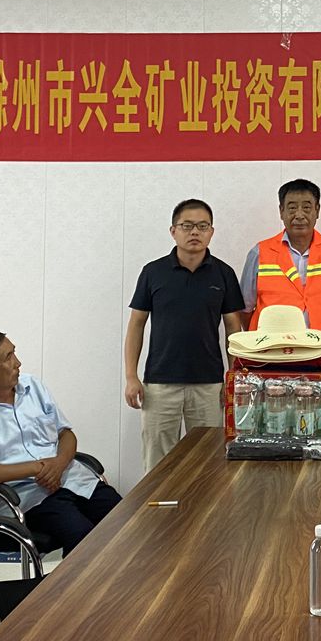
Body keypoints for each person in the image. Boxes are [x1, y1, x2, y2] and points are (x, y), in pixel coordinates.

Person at [0, 329, 121, 556]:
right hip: (27, 498)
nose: (17, 363)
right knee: (82, 536)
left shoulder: (32, 387)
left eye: (14, 353)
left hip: (71, 478)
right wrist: (36, 468)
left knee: (124, 520)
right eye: (8, 357)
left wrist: (58, 464)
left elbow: (66, 434)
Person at [124, 198, 245, 473]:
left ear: (211, 232)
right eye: (187, 226)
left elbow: (233, 329)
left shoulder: (224, 274)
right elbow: (136, 325)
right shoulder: (153, 272)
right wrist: (131, 376)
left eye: (202, 226)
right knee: (157, 463)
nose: (194, 232)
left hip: (209, 384)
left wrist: (233, 377)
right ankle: (157, 504)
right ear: (173, 231)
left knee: (208, 462)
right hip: (159, 384)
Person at [239, 178, 321, 349]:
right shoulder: (259, 254)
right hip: (271, 352)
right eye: (292, 208)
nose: (299, 215)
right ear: (281, 211)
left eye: (306, 207)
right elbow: (244, 310)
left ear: (317, 210)